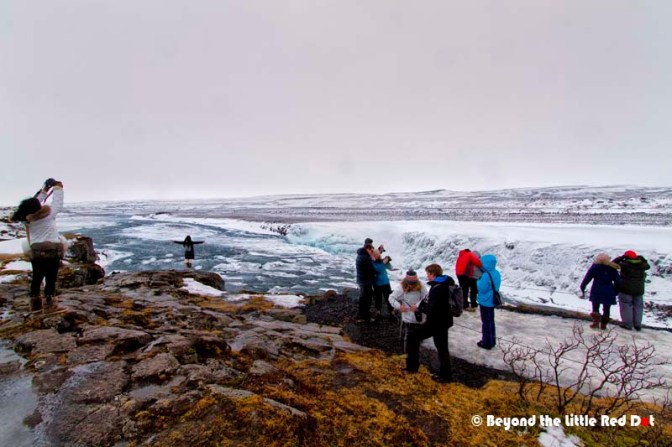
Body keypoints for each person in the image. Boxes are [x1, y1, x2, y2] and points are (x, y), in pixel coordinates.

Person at [11, 179, 65, 311]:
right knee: (51, 278)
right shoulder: (49, 214)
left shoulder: (27, 220)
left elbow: (34, 204)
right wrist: (57, 188)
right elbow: (57, 203)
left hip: (37, 252)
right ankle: (50, 303)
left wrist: (44, 191)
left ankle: (35, 305)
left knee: (37, 277)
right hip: (53, 250)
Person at [404, 263, 454, 383]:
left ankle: (412, 367)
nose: (427, 276)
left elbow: (433, 307)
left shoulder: (438, 287)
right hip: (444, 321)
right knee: (442, 348)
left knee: (412, 337)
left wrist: (420, 309)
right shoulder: (444, 284)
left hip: (435, 322)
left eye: (428, 274)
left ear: (433, 274)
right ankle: (445, 376)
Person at [579, 253, 621, 330]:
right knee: (607, 308)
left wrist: (583, 286)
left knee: (595, 307)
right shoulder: (612, 268)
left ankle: (595, 322)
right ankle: (604, 325)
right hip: (609, 290)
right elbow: (618, 282)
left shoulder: (594, 267)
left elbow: (587, 278)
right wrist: (616, 291)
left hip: (596, 289)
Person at [388, 270, 428, 351]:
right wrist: (399, 307)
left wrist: (417, 306)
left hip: (420, 318)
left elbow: (426, 298)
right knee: (408, 338)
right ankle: (407, 355)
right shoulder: (401, 288)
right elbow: (391, 297)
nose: (411, 286)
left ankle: (412, 355)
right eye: (410, 283)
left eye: (414, 283)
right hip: (408, 319)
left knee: (417, 338)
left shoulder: (422, 286)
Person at [612, 250, 651, 331]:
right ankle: (637, 325)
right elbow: (648, 265)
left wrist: (621, 257)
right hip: (639, 290)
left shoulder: (625, 265)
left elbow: (613, 263)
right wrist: (642, 259)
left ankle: (627, 324)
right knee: (638, 307)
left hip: (625, 289)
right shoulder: (642, 265)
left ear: (626, 257)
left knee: (626, 306)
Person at [476, 254, 501, 349]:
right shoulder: (497, 273)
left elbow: (481, 288)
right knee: (491, 321)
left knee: (485, 322)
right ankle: (492, 341)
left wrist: (478, 281)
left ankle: (486, 343)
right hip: (492, 301)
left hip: (485, 301)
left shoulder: (486, 275)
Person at [355, 243, 376, 323]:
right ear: (367, 249)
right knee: (367, 299)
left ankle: (361, 314)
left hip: (361, 280)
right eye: (371, 250)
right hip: (366, 281)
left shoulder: (360, 255)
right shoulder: (365, 258)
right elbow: (371, 270)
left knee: (363, 297)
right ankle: (366, 317)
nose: (372, 252)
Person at [372, 249, 394, 318]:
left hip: (385, 283)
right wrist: (383, 263)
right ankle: (378, 311)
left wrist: (388, 261)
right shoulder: (372, 263)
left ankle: (392, 312)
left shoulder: (382, 261)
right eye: (376, 255)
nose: (378, 256)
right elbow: (377, 270)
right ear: (373, 256)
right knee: (378, 299)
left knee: (389, 298)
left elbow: (390, 268)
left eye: (379, 254)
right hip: (377, 284)